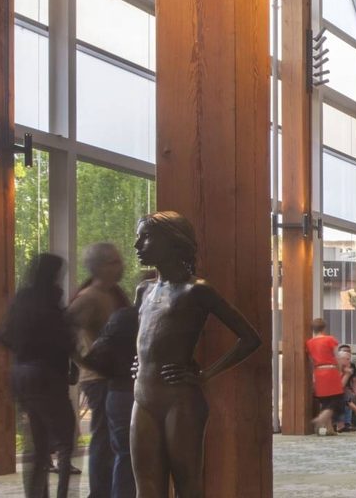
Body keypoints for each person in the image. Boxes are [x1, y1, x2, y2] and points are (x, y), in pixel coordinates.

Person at [130, 211, 263, 498]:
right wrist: (136, 361)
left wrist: (205, 374)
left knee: (187, 486)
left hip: (181, 400)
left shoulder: (196, 290)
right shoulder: (144, 290)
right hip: (143, 397)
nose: (137, 245)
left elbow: (250, 338)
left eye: (145, 238)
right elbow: (143, 337)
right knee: (146, 488)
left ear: (171, 241)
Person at [1, 253, 76, 498]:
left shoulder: (22, 299)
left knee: (37, 446)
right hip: (48, 376)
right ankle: (64, 494)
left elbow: (3, 335)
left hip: (21, 376)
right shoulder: (51, 300)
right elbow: (64, 340)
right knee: (65, 442)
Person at [66, 243, 129, 498]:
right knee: (104, 440)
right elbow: (64, 332)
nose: (120, 265)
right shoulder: (90, 297)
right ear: (100, 267)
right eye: (114, 261)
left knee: (112, 441)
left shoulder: (114, 294)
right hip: (99, 379)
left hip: (113, 377)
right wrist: (84, 362)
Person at [84, 278, 142, 498]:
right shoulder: (148, 318)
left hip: (116, 390)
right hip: (137, 391)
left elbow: (94, 356)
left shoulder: (120, 318)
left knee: (123, 453)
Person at [307, 318, 345, 436]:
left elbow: (311, 360)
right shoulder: (330, 339)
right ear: (324, 328)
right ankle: (320, 419)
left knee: (325, 401)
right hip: (331, 370)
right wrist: (340, 369)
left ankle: (329, 429)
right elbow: (336, 356)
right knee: (336, 400)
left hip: (318, 372)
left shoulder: (309, 343)